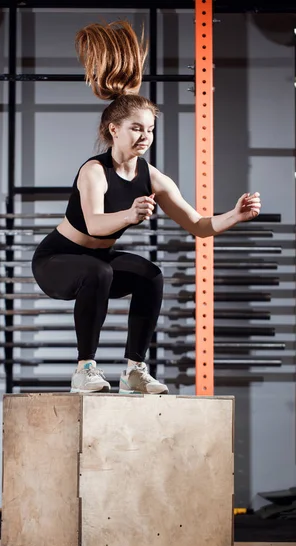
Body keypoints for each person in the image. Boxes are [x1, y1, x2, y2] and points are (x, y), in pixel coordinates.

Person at [31, 20, 261, 395]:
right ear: (113, 130)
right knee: (99, 273)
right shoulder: (94, 171)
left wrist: (234, 215)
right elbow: (93, 225)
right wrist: (129, 215)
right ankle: (84, 369)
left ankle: (134, 370)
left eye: (150, 129)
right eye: (136, 128)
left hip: (97, 263)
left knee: (149, 274)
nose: (145, 136)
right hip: (56, 261)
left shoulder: (152, 176)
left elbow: (199, 225)